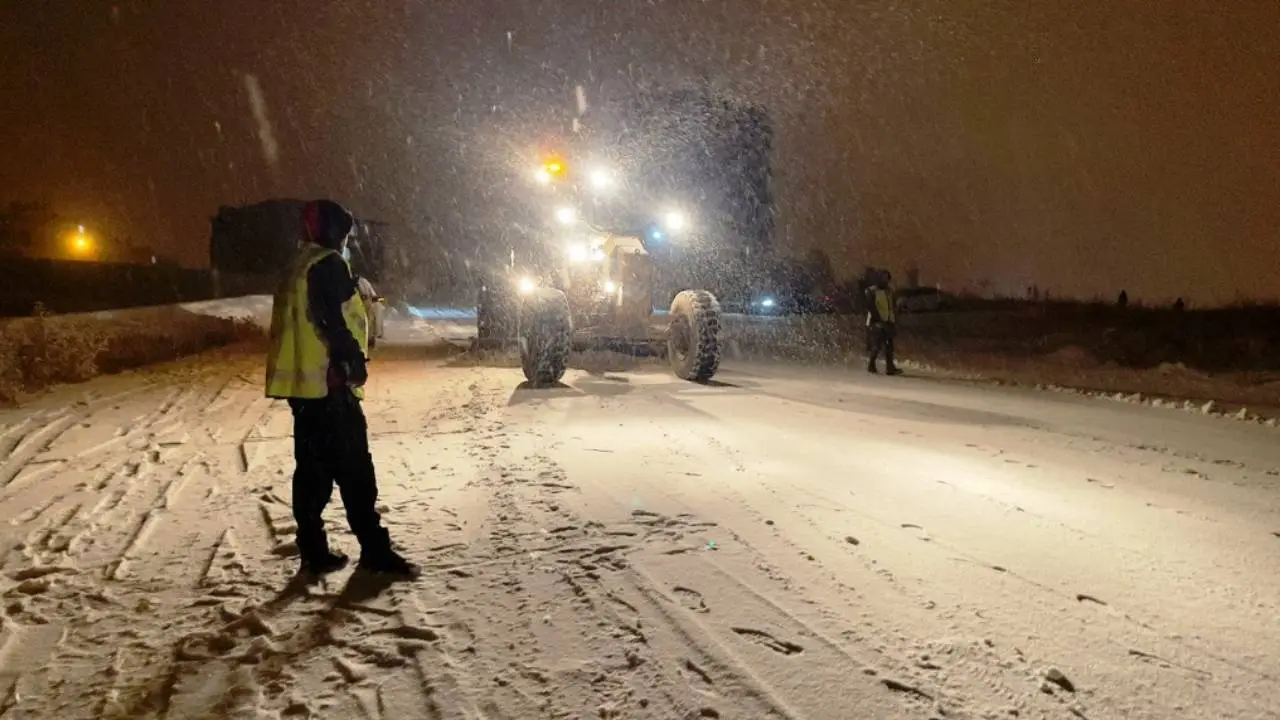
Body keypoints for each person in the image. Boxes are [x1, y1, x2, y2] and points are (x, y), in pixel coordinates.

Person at [265, 199, 418, 579]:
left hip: (303, 390)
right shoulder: (329, 266)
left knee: (312, 473)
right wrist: (349, 364)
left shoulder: (296, 267)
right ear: (334, 232)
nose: (347, 240)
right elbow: (332, 321)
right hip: (330, 385)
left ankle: (313, 552)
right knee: (356, 473)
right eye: (345, 233)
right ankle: (375, 552)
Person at [865, 269, 902, 375]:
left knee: (889, 346)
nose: (885, 280)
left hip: (888, 321)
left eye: (887, 278)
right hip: (877, 323)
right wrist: (877, 319)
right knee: (877, 346)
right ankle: (871, 364)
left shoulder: (889, 291)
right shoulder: (871, 291)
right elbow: (871, 307)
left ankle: (890, 367)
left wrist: (894, 318)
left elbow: (891, 306)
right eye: (883, 277)